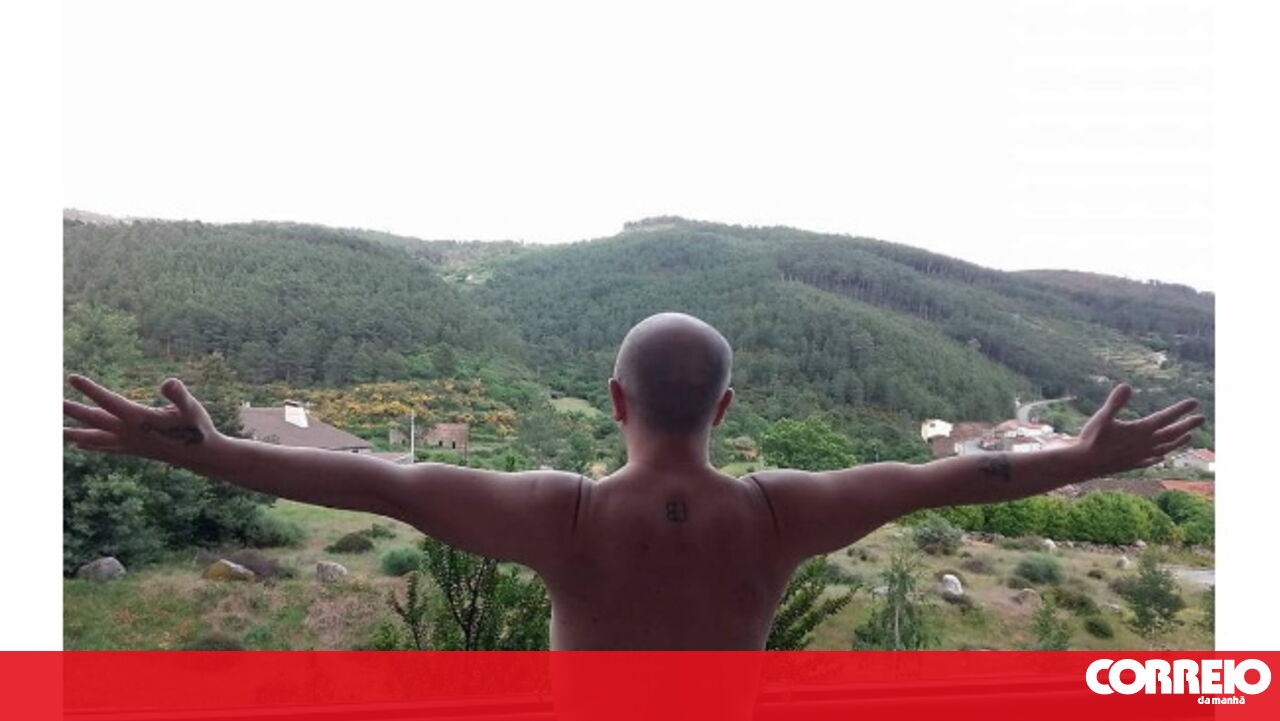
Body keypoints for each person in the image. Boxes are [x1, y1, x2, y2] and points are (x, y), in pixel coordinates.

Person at [63, 312, 1204, 650]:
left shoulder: (562, 516)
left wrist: (206, 449)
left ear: (613, 400)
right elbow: (945, 478)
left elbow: (382, 487)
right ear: (724, 408)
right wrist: (1079, 457)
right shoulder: (781, 512)